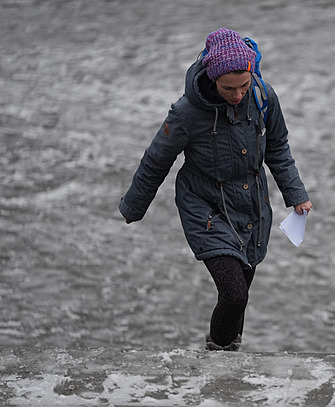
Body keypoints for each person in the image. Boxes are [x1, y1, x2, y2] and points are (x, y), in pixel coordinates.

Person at [118, 28, 312, 351]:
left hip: (251, 210)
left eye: (243, 86)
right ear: (212, 78)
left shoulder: (264, 97)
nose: (238, 95)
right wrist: (133, 208)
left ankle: (228, 359)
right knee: (234, 294)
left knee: (241, 296)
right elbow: (156, 160)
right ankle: (218, 360)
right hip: (204, 208)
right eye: (228, 88)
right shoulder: (186, 113)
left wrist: (297, 195)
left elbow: (277, 147)